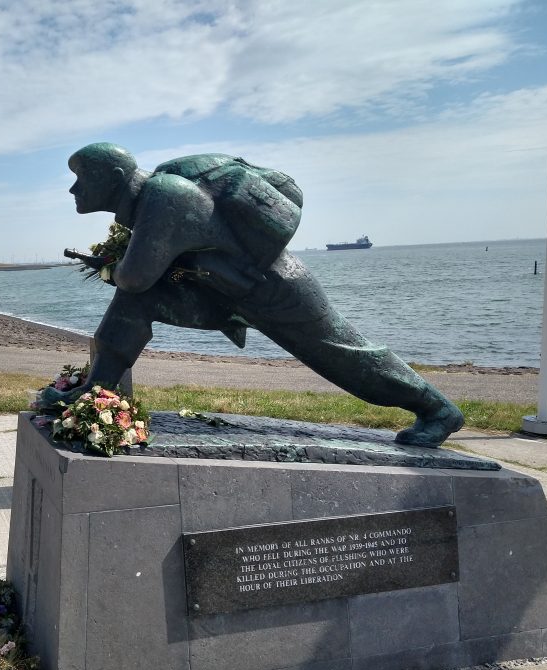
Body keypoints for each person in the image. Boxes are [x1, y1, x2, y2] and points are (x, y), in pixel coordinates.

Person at [46, 142, 464, 448]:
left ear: (114, 179)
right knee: (133, 305)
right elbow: (141, 282)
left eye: (81, 179)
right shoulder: (152, 198)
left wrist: (111, 268)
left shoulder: (164, 196)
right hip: (222, 290)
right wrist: (119, 270)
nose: (73, 190)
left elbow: (135, 276)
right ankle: (98, 393)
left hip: (273, 285)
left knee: (344, 354)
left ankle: (437, 409)